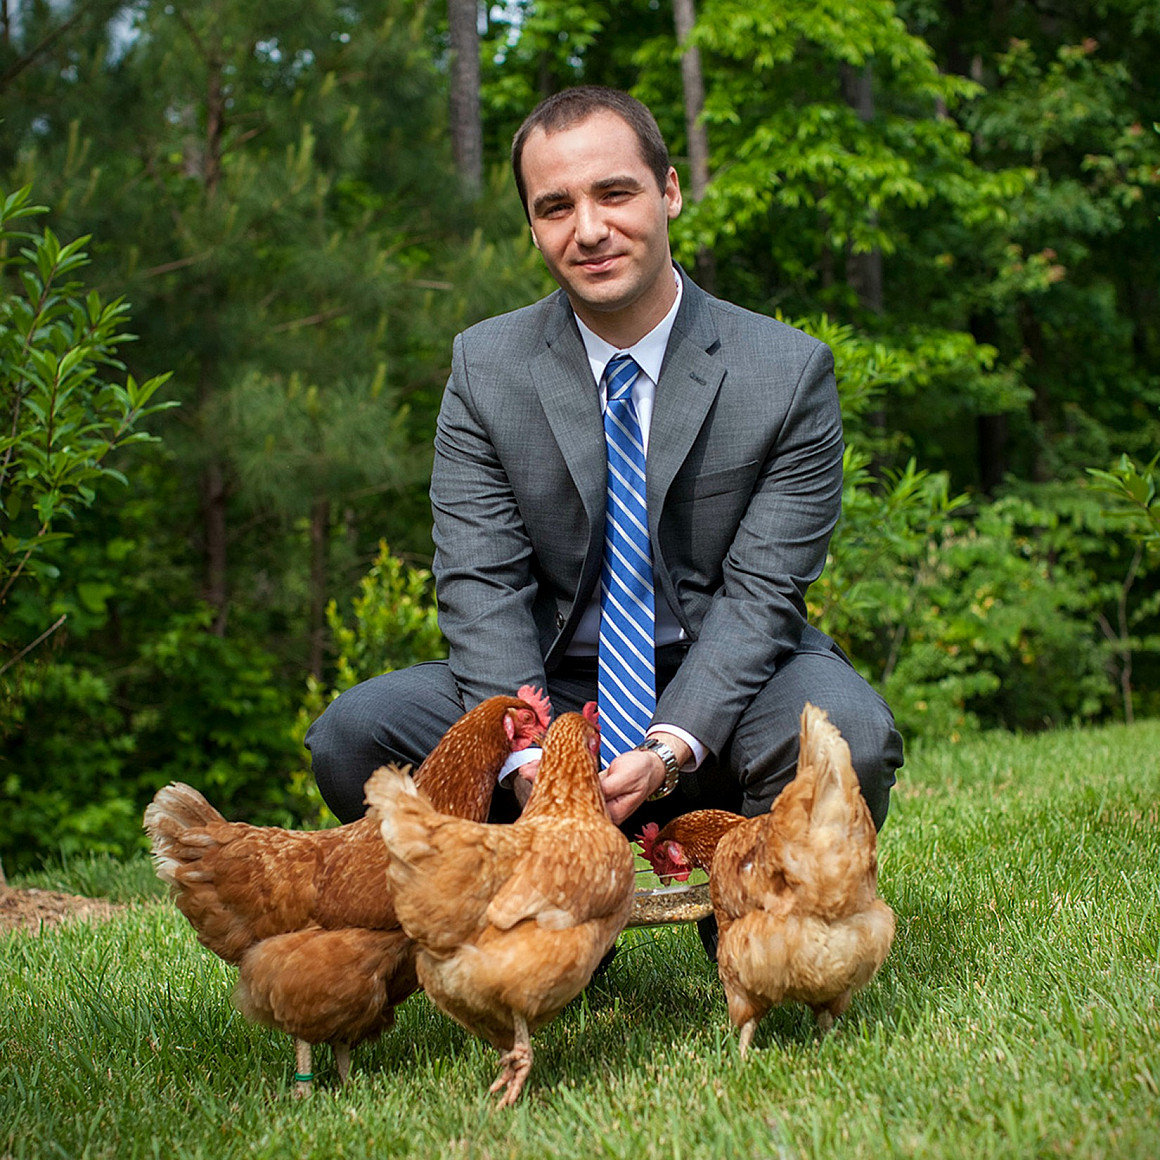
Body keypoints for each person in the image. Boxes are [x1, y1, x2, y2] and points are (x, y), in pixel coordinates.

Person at [306, 86, 903, 853]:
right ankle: (532, 934)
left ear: (670, 191)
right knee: (356, 738)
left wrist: (666, 750)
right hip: (552, 688)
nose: (588, 230)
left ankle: (755, 936)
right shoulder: (486, 370)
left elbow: (763, 596)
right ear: (531, 225)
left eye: (614, 193)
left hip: (727, 691)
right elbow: (481, 584)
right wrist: (529, 755)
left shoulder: (785, 374)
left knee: (844, 733)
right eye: (555, 207)